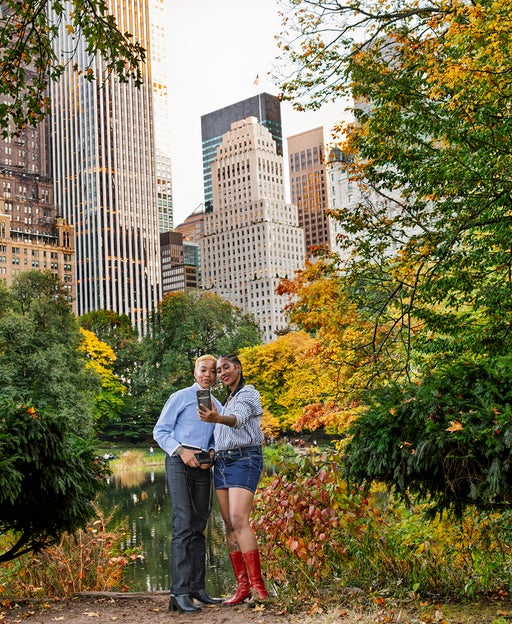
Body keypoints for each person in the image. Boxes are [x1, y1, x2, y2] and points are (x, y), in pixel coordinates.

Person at [153, 354, 222, 614]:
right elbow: (160, 431)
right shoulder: (180, 397)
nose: (207, 375)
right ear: (195, 372)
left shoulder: (216, 405)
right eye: (203, 370)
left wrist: (212, 454)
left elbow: (217, 436)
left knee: (199, 525)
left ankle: (197, 588)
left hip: (203, 467)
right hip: (179, 461)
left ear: (216, 377)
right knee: (182, 524)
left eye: (212, 371)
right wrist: (182, 452)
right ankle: (178, 593)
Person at [198, 353, 269, 605]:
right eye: (218, 370)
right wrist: (213, 450)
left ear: (238, 367)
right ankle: (242, 588)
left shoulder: (247, 393)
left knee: (240, 519)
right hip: (223, 462)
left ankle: (259, 588)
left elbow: (237, 420)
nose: (221, 373)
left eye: (226, 367)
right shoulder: (224, 401)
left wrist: (217, 418)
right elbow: (221, 433)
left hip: (245, 459)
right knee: (228, 524)